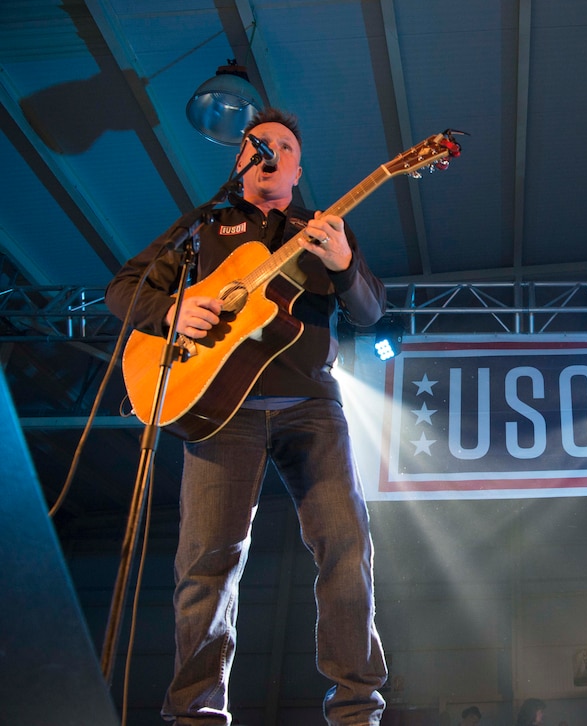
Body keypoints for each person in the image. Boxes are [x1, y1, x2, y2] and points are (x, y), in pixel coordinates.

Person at [105, 107, 388, 725]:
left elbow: (368, 311)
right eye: (259, 145)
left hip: (310, 404)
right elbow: (124, 288)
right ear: (241, 161)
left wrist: (342, 264)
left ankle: (356, 711)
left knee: (345, 546)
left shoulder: (321, 230)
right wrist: (173, 313)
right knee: (206, 560)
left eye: (284, 146)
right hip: (218, 410)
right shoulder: (205, 226)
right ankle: (197, 715)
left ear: (297, 168)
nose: (271, 153)